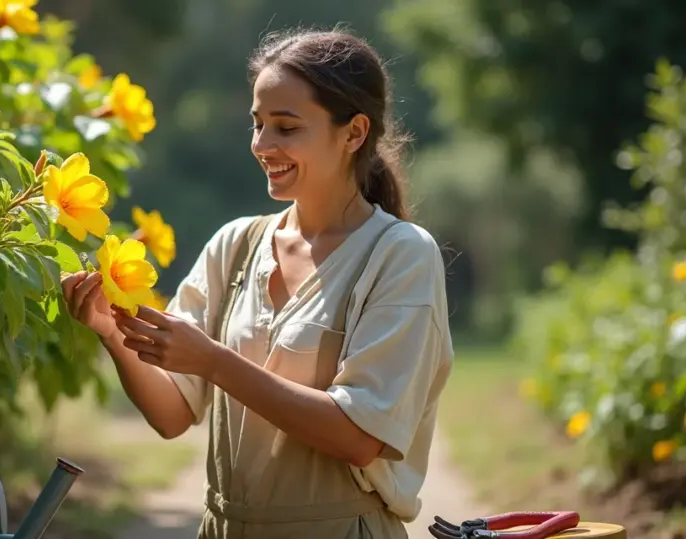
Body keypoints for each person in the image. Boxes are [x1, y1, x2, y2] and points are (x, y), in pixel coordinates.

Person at [60, 27, 454, 539]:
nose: (262, 145)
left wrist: (215, 360)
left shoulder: (402, 255)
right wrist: (110, 333)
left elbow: (360, 436)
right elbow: (173, 413)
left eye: (286, 128)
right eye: (258, 124)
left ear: (354, 133)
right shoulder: (236, 246)